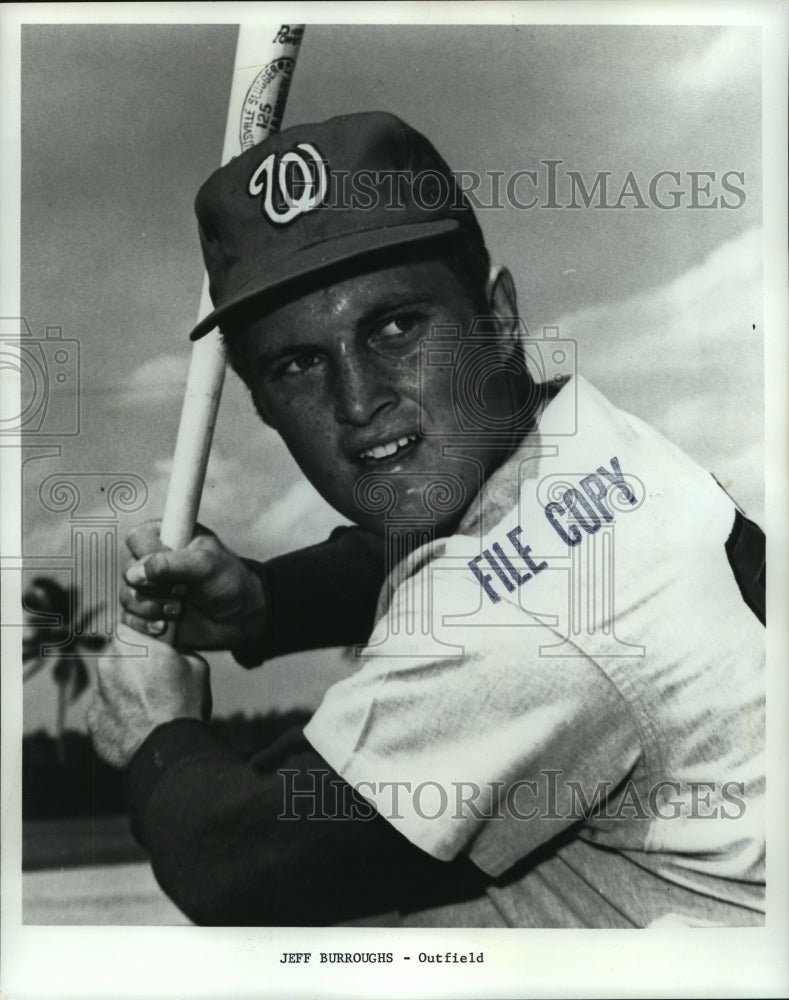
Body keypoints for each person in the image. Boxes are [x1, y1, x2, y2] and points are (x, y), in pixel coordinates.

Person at [88, 111, 766, 928]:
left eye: (396, 326)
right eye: (297, 363)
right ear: (259, 403)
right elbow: (464, 543)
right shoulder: (586, 448)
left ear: (499, 317)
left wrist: (158, 738)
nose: (357, 399)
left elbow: (241, 862)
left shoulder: (533, 624)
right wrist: (269, 601)